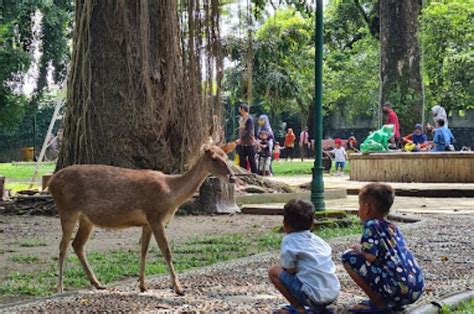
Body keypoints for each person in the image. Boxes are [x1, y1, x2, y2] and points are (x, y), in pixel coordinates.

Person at [341, 183, 424, 312]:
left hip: (396, 289)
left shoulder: (371, 225)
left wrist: (358, 250)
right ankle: (391, 302)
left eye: (359, 205)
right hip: (415, 288)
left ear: (366, 208)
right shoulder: (392, 228)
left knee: (348, 257)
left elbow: (370, 256)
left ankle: (379, 304)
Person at [269, 199, 340, 314]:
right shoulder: (319, 241)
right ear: (312, 224)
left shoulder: (289, 241)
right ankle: (320, 309)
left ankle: (298, 307)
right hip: (333, 293)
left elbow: (290, 269)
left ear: (285, 224)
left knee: (274, 272)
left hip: (313, 296)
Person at [236, 104, 258, 173]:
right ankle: (243, 174)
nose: (239, 111)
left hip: (249, 143)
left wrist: (240, 139)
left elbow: (248, 131)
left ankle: (255, 175)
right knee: (242, 160)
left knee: (252, 160)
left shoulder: (249, 119)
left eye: (240, 109)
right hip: (242, 144)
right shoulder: (241, 119)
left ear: (243, 110)